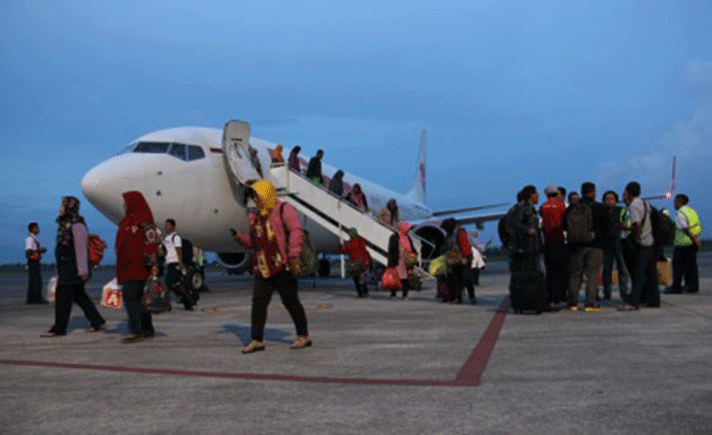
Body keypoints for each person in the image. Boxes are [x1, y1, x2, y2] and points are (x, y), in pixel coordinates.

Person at [233, 180, 311, 353]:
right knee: (258, 304)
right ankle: (257, 339)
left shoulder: (283, 209)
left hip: (282, 264)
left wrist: (294, 256)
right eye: (254, 195)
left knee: (291, 302)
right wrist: (240, 238)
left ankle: (303, 336)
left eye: (258, 195)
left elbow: (296, 230)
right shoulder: (255, 216)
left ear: (267, 194)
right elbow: (254, 243)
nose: (255, 198)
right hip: (263, 267)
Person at [41, 197, 105, 337]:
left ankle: (59, 328)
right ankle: (97, 321)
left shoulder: (76, 224)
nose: (61, 208)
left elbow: (81, 249)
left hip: (71, 267)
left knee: (62, 296)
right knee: (78, 295)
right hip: (66, 265)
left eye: (63, 205)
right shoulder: (66, 223)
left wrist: (83, 270)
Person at [116, 191, 157, 343]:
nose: (124, 205)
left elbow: (151, 242)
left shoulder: (144, 220)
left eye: (126, 202)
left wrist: (152, 264)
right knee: (139, 299)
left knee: (130, 297)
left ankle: (136, 329)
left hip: (140, 266)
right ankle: (147, 329)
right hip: (128, 266)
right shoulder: (127, 220)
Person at [564, 182, 611, 312]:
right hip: (595, 245)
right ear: (593, 192)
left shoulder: (573, 207)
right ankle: (590, 302)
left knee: (575, 274)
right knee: (592, 274)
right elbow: (607, 226)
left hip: (576, 246)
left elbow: (564, 225)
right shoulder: (599, 207)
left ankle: (572, 302)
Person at [619, 182, 659, 311]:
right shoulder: (645, 203)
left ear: (628, 192)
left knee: (638, 273)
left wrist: (635, 238)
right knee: (650, 273)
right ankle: (653, 300)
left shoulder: (633, 206)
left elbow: (636, 224)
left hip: (642, 243)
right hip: (650, 241)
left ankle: (634, 302)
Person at [667, 194, 702, 294]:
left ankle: (676, 287)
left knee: (677, 267)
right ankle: (692, 286)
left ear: (679, 202)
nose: (674, 204)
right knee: (691, 267)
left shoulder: (681, 213)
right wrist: (696, 240)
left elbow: (685, 228)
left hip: (683, 244)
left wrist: (694, 240)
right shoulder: (691, 211)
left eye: (675, 202)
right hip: (692, 243)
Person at [540, 184, 568, 304]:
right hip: (559, 240)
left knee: (550, 271)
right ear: (557, 194)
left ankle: (549, 296)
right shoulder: (562, 206)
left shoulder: (543, 206)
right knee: (560, 271)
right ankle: (559, 296)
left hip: (547, 241)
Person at [601, 191, 630, 300]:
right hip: (606, 244)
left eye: (612, 198)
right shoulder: (601, 211)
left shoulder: (621, 210)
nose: (609, 201)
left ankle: (624, 292)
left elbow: (627, 224)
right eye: (607, 198)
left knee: (623, 269)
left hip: (619, 243)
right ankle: (606, 293)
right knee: (607, 270)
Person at [163, 219, 194, 310]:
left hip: (175, 263)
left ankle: (167, 305)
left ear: (173, 227)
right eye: (165, 225)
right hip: (169, 263)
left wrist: (180, 263)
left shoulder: (176, 237)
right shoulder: (166, 238)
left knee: (169, 284)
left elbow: (179, 249)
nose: (166, 227)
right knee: (174, 285)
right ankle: (188, 302)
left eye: (168, 225)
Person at [511, 185, 540, 273]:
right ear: (531, 195)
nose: (538, 196)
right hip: (528, 247)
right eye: (536, 194)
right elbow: (516, 223)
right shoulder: (524, 209)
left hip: (533, 247)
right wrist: (528, 230)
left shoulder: (531, 209)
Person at [339, 227, 371, 297]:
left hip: (355, 263)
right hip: (361, 262)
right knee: (362, 278)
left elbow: (344, 251)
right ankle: (365, 291)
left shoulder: (349, 242)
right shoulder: (361, 241)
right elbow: (364, 251)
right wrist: (366, 260)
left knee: (356, 279)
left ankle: (360, 293)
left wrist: (340, 247)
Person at [387, 222, 417, 298]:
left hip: (406, 261)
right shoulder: (394, 237)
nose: (408, 230)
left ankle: (405, 293)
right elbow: (391, 250)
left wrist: (414, 256)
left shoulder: (407, 237)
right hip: (397, 260)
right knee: (395, 276)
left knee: (405, 277)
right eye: (407, 228)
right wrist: (391, 261)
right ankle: (393, 292)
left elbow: (412, 248)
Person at [25, 222, 47, 304]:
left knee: (33, 280)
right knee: (36, 280)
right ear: (32, 229)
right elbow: (28, 251)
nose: (38, 229)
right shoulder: (30, 239)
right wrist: (39, 250)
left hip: (35, 261)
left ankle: (31, 299)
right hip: (33, 261)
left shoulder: (34, 238)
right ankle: (37, 298)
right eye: (36, 228)